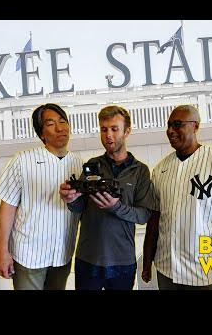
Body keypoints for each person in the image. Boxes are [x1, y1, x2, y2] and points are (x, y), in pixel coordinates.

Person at [142, 104, 212, 290]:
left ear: (195, 126)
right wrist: (147, 261)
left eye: (177, 124)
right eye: (169, 125)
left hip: (206, 277)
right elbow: (154, 221)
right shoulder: (160, 169)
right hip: (167, 272)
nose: (170, 131)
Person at [60, 105, 156, 290]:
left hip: (123, 262)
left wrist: (116, 207)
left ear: (127, 131)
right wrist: (70, 199)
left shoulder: (140, 171)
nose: (108, 135)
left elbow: (143, 215)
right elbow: (80, 207)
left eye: (114, 129)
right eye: (104, 130)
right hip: (88, 259)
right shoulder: (92, 166)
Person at [0, 103, 83, 290]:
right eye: (50, 124)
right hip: (28, 255)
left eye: (62, 121)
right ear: (41, 133)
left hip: (62, 254)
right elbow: (7, 208)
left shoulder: (78, 163)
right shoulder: (22, 161)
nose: (60, 128)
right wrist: (1, 251)